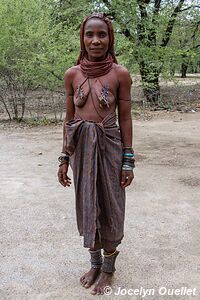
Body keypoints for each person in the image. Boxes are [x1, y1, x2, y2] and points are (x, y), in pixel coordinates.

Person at [57, 12, 135, 295]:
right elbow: (69, 119)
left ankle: (109, 269)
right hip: (81, 149)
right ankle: (94, 263)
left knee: (112, 205)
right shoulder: (72, 74)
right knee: (87, 204)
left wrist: (128, 160)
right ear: (82, 38)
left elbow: (125, 118)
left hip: (110, 147)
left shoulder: (119, 74)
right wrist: (64, 158)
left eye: (102, 34)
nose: (96, 40)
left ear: (110, 38)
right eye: (90, 34)